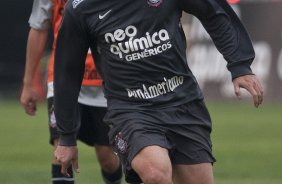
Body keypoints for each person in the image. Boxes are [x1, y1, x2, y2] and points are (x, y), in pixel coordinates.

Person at [53, 0, 263, 183]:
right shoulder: (81, 8)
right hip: (130, 110)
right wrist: (67, 137)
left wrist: (240, 66)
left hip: (183, 103)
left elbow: (214, 11)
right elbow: (67, 72)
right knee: (156, 174)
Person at [20, 0, 122, 183]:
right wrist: (28, 83)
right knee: (62, 150)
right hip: (62, 77)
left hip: (104, 81)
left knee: (107, 157)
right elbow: (38, 27)